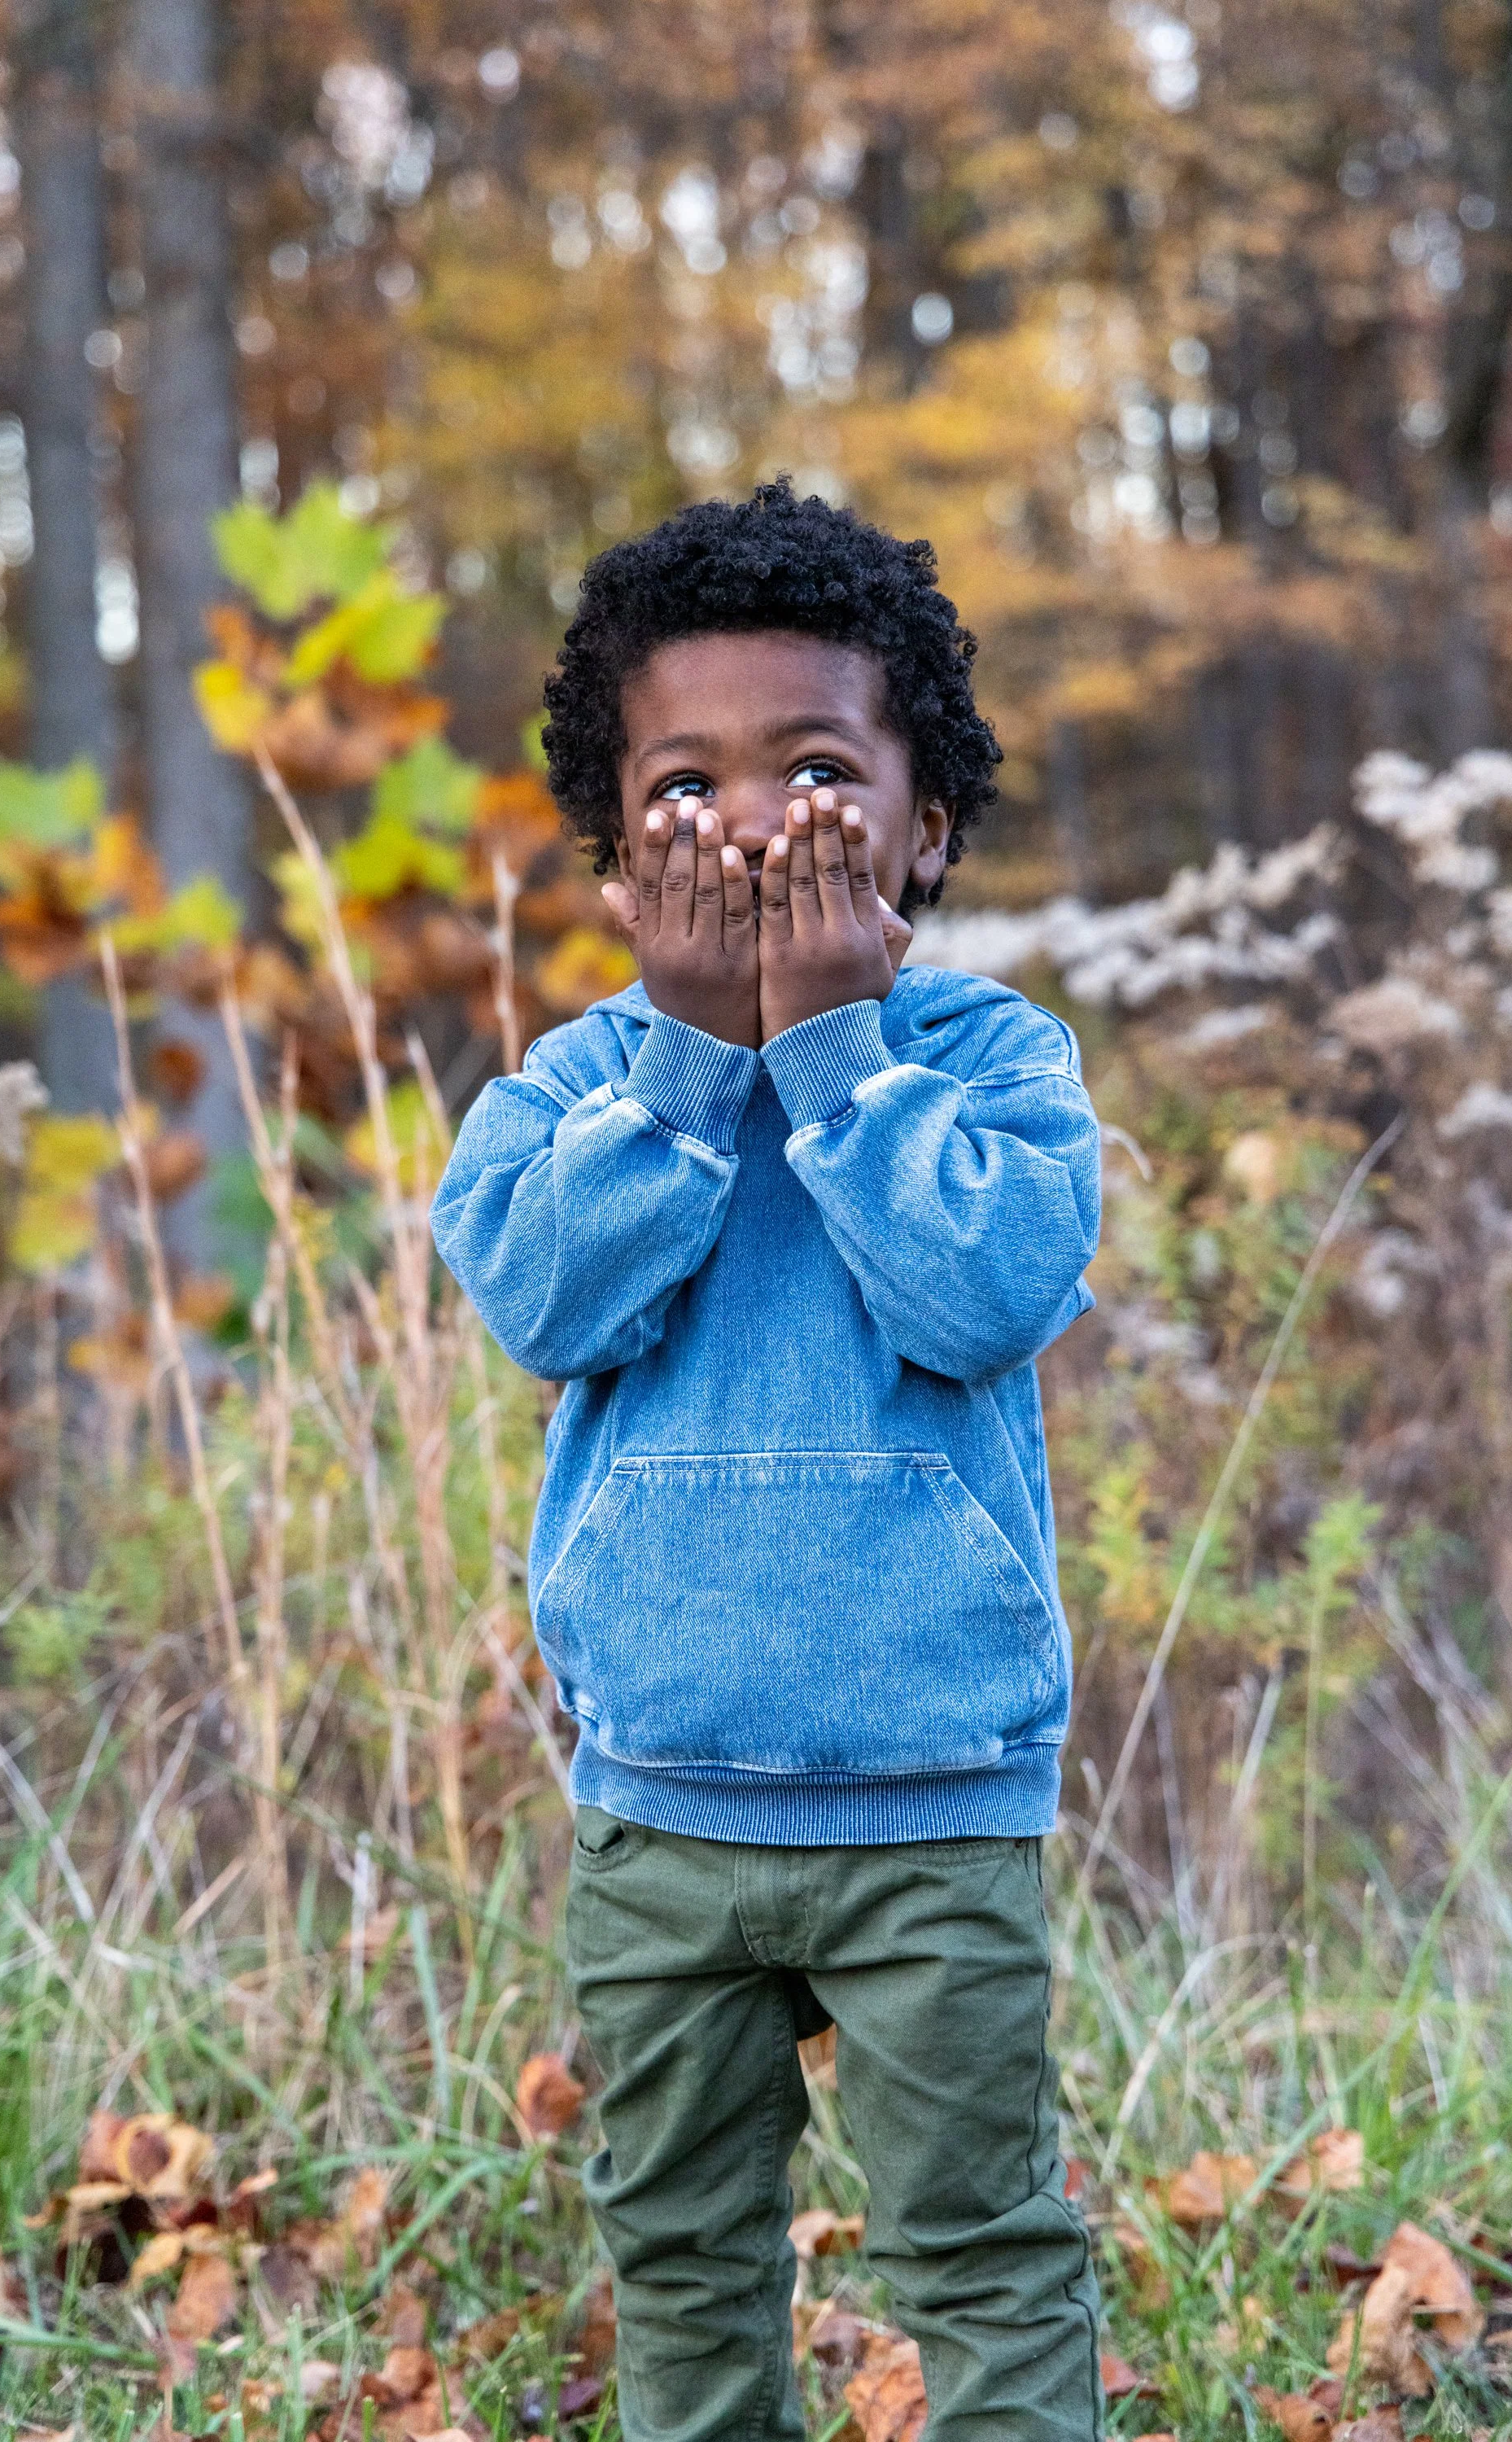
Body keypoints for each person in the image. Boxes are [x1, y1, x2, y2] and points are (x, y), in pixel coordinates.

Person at [431, 479, 1104, 2442]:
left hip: (934, 1803)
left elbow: (976, 1296)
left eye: (813, 770)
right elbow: (551, 1305)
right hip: (664, 1806)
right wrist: (692, 1062)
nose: (745, 823)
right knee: (682, 2240)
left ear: (923, 827)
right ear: (614, 855)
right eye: (682, 789)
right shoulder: (571, 1090)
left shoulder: (989, 1066)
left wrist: (829, 1052)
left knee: (976, 2244)